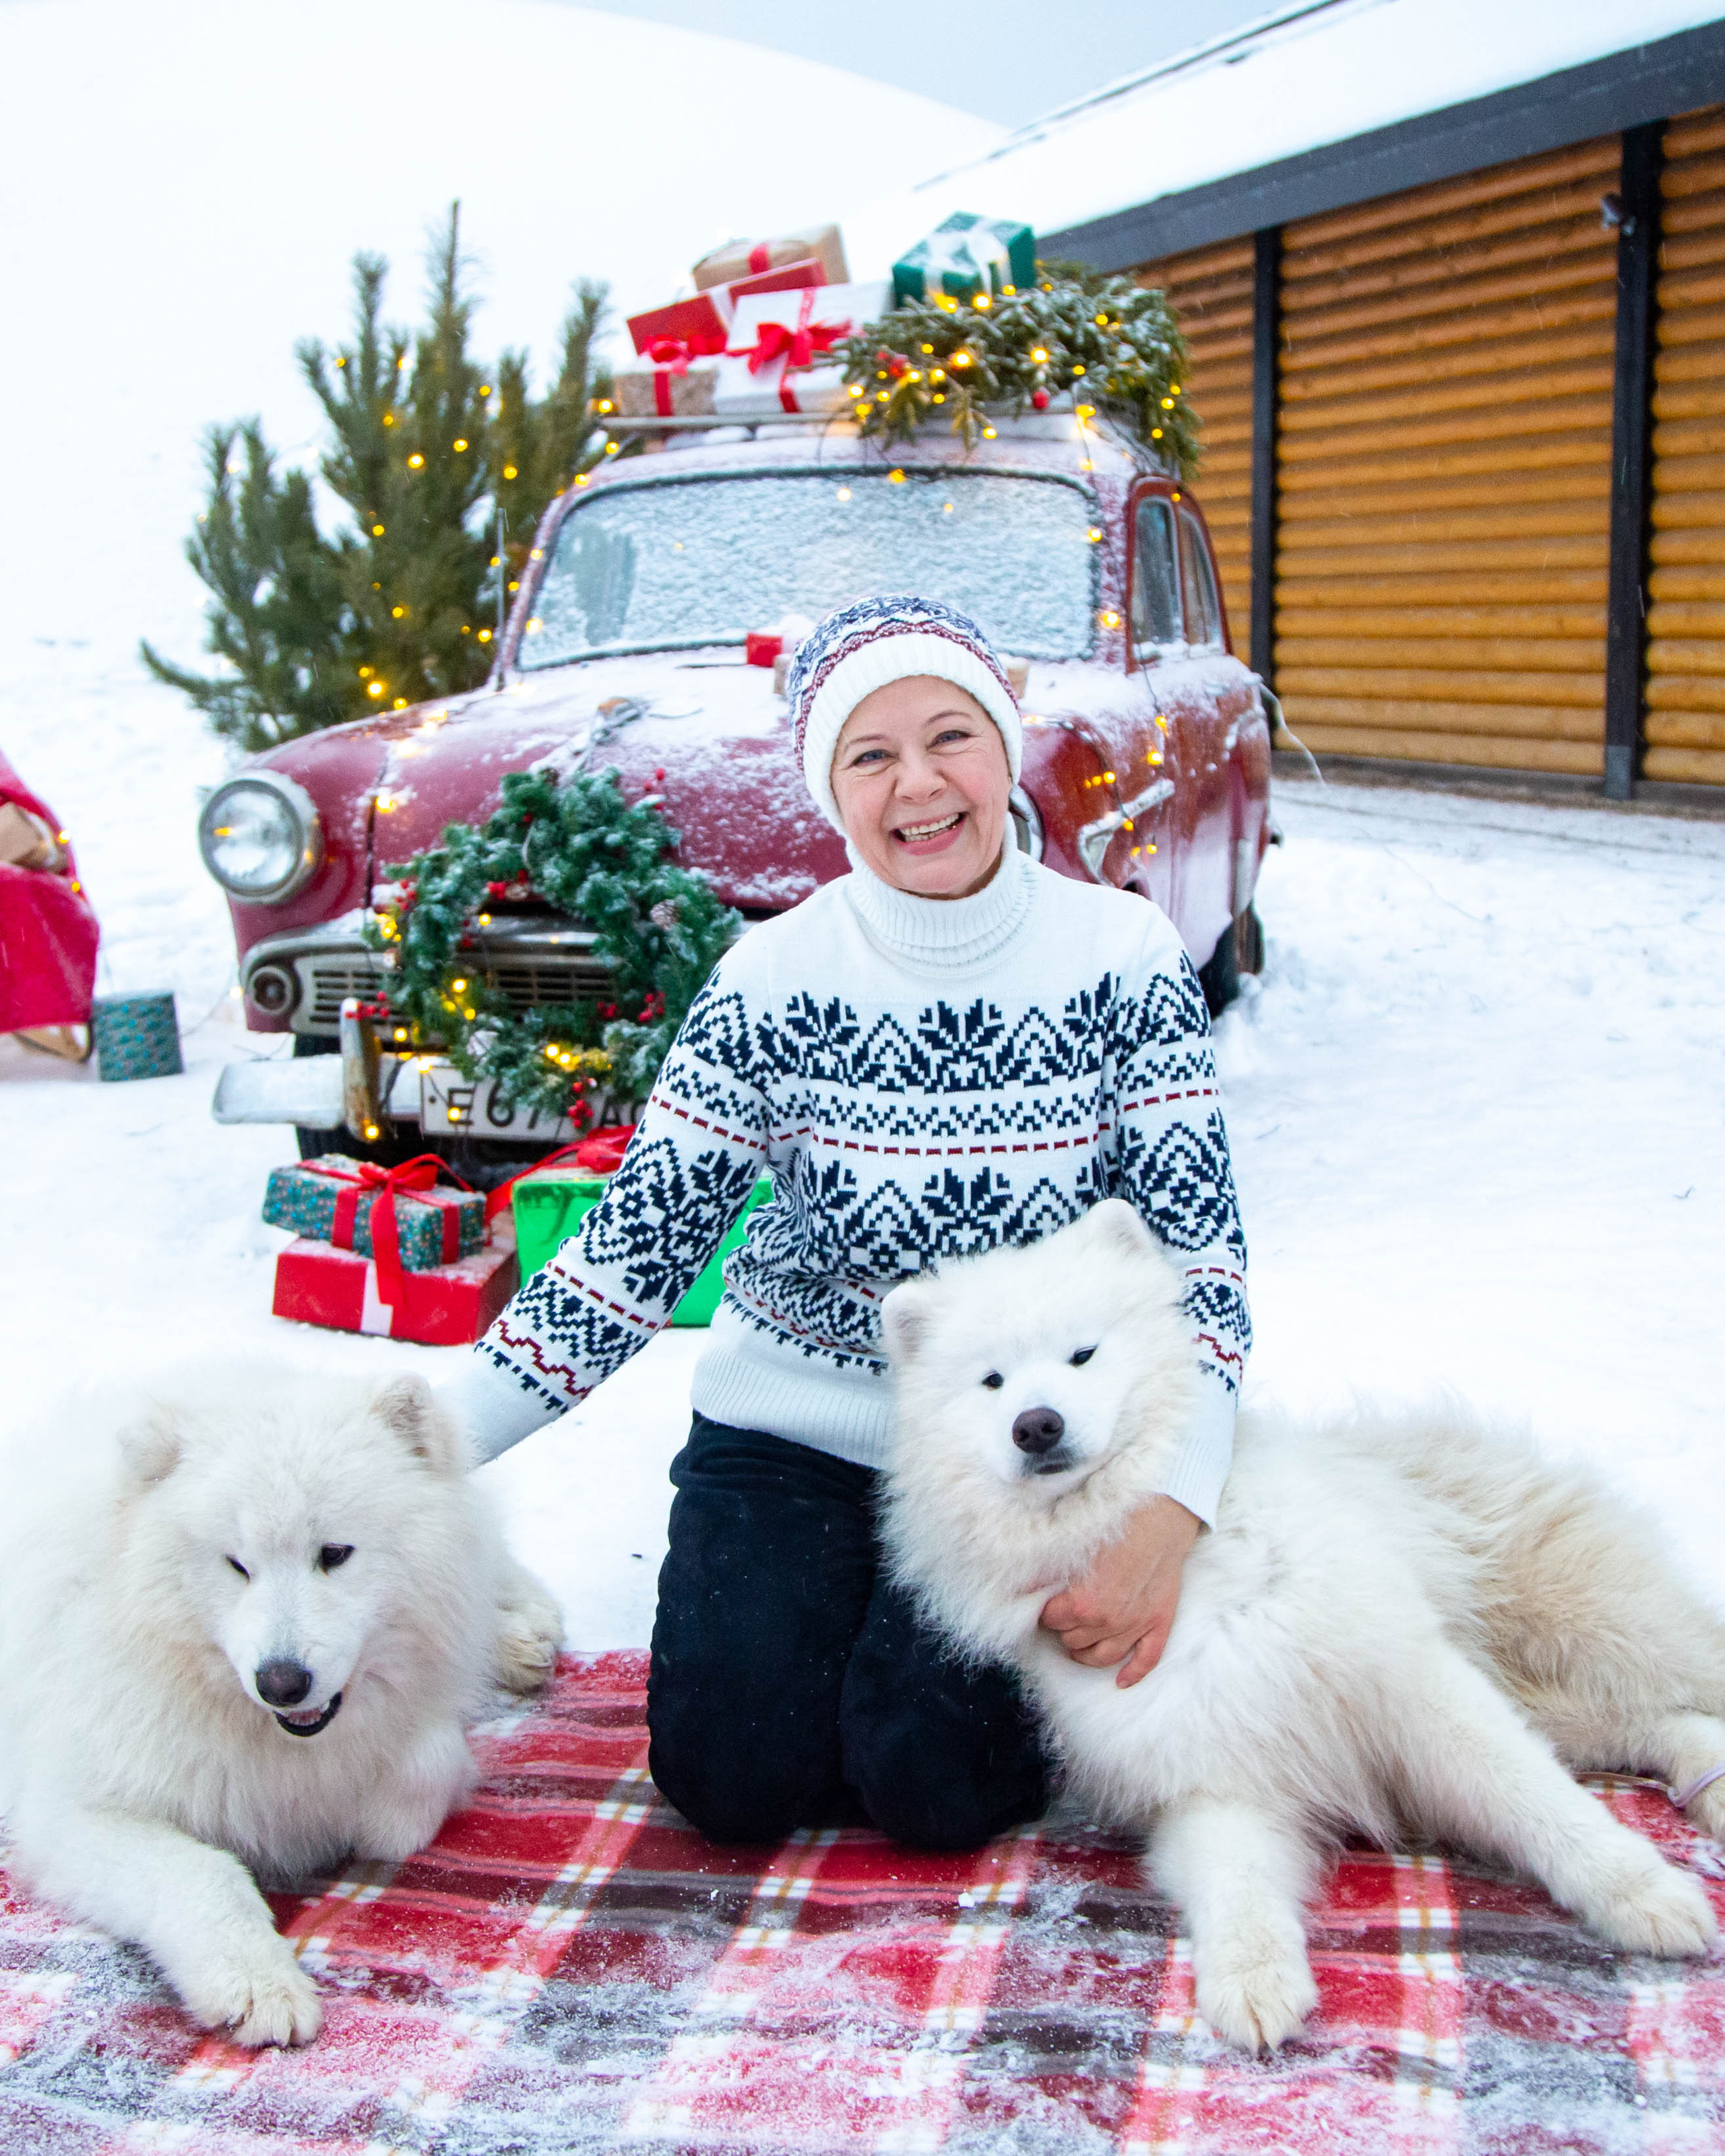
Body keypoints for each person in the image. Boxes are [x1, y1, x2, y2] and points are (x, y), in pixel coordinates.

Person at [445, 594, 1251, 1849]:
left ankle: (905, 1679)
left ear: (1004, 747)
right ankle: (846, 1627)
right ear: (831, 790)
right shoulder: (773, 980)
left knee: (938, 1791)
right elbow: (632, 1251)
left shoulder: (1122, 955)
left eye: (950, 737)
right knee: (730, 1781)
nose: (919, 785)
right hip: (798, 1428)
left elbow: (1203, 1268)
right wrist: (421, 1440)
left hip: (1029, 1455)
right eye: (871, 756)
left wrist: (1169, 1516)